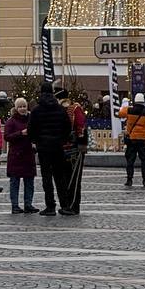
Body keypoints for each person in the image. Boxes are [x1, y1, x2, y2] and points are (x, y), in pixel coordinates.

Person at [28, 83, 72, 216]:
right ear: (52, 93)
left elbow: (31, 129)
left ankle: (50, 206)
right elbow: (67, 127)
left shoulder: (36, 110)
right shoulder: (60, 109)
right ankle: (65, 205)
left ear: (41, 93)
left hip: (43, 147)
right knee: (60, 177)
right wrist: (62, 140)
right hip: (58, 147)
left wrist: (36, 141)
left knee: (46, 177)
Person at [56, 86, 88, 214]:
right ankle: (67, 204)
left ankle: (73, 206)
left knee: (74, 179)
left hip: (74, 148)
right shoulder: (59, 109)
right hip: (62, 147)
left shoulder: (74, 108)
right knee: (64, 178)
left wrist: (82, 143)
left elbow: (81, 127)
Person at [4, 97, 37, 213]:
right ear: (16, 108)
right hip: (16, 156)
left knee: (29, 182)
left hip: (28, 155)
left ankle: (28, 204)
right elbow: (7, 137)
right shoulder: (11, 121)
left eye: (24, 106)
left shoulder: (31, 120)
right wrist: (20, 133)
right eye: (20, 107)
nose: (23, 109)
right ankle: (15, 205)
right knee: (15, 182)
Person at [120, 91, 145, 189]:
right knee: (144, 161)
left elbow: (120, 113)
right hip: (143, 139)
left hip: (132, 138)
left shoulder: (129, 110)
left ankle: (129, 180)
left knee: (130, 160)